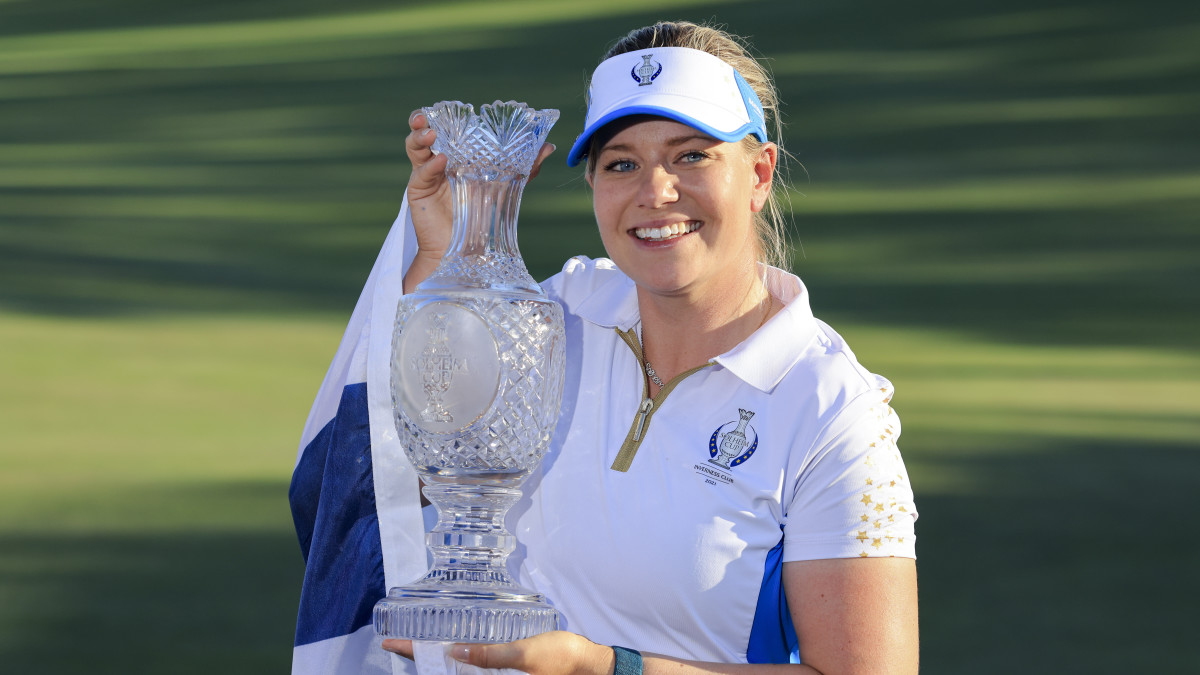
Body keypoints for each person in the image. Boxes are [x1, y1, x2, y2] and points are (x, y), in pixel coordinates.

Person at [291, 20, 918, 675]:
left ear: (760, 173)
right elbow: (411, 476)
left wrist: (603, 667)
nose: (656, 192)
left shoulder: (832, 407)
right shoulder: (560, 310)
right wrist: (448, 258)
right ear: (593, 185)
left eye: (692, 155)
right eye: (622, 163)